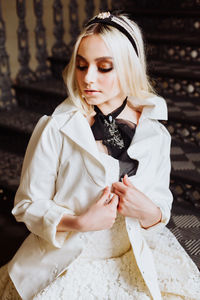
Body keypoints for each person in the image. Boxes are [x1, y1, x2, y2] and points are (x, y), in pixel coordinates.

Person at [0, 11, 199, 300]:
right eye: (81, 66)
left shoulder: (155, 134)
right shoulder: (56, 128)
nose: (87, 78)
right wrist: (78, 222)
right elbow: (26, 205)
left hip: (133, 256)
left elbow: (160, 209)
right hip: (68, 260)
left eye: (104, 67)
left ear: (129, 68)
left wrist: (148, 211)